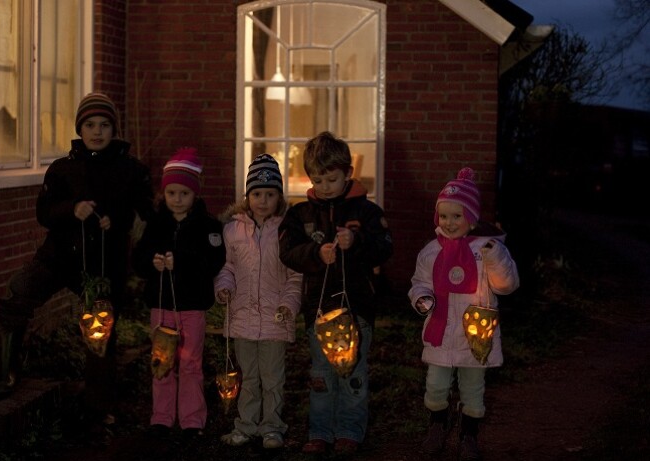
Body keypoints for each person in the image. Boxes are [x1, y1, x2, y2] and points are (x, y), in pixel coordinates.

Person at [0, 93, 154, 427]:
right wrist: (72, 210)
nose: (97, 131)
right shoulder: (62, 168)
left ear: (113, 129)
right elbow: (44, 213)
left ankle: (99, 404)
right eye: (90, 125)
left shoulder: (131, 170)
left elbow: (144, 213)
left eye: (104, 125)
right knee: (16, 294)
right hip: (59, 256)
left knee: (100, 331)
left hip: (102, 266)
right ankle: (8, 372)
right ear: (80, 128)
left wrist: (116, 221)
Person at [278, 131, 394, 455]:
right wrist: (316, 254)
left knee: (353, 372)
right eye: (318, 179)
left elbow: (385, 247)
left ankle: (349, 431)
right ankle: (320, 431)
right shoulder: (300, 215)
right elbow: (287, 251)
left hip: (357, 308)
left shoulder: (367, 213)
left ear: (348, 173)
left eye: (332, 178)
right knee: (321, 374)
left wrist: (355, 244)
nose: (325, 186)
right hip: (318, 309)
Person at [408, 167, 519, 461]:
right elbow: (419, 283)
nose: (449, 222)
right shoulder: (431, 252)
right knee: (435, 384)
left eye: (457, 216)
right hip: (442, 332)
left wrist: (496, 259)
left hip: (475, 335)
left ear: (471, 218)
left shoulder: (487, 250)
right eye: (444, 216)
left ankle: (469, 434)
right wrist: (422, 298)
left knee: (473, 388)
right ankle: (437, 426)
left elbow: (506, 286)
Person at [132, 147, 226, 439]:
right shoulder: (155, 224)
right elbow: (137, 259)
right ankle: (161, 417)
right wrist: (152, 263)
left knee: (190, 363)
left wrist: (181, 262)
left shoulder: (208, 226)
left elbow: (214, 261)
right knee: (162, 361)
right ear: (164, 193)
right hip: (162, 307)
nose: (177, 199)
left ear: (195, 194)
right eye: (171, 193)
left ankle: (192, 419)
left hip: (192, 306)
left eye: (184, 193)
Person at [214, 154, 302, 450]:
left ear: (279, 196)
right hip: (242, 318)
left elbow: (294, 276)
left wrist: (289, 305)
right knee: (248, 377)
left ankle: (272, 427)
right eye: (257, 194)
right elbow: (227, 267)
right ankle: (246, 425)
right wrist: (224, 286)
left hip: (275, 320)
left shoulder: (286, 231)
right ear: (247, 196)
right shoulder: (232, 231)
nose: (263, 200)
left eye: (270, 194)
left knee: (272, 379)